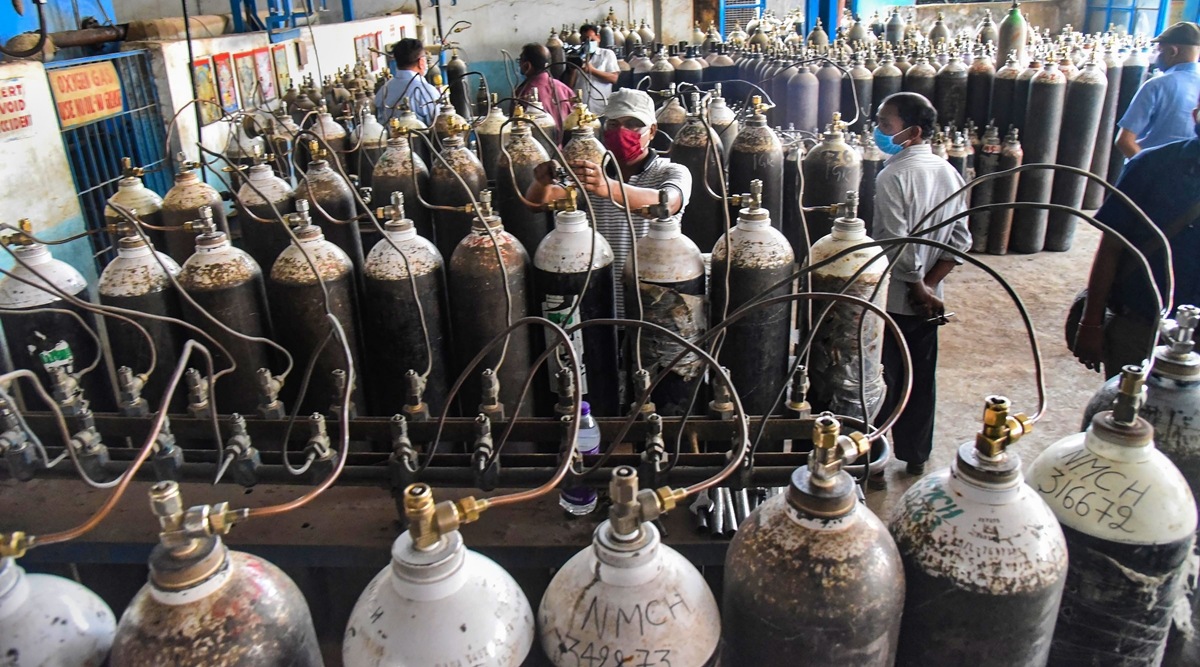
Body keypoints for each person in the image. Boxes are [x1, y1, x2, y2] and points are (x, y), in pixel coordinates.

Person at [872, 92, 971, 477]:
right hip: (930, 303)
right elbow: (961, 239)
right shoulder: (947, 170)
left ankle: (872, 459)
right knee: (921, 379)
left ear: (911, 132)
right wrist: (930, 287)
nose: (878, 131)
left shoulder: (893, 175)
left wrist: (915, 288)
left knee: (882, 380)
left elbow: (897, 243)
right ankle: (916, 456)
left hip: (897, 301)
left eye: (885, 125)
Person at [524, 88, 691, 315]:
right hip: (602, 299)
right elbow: (536, 204)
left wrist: (607, 187)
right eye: (614, 124)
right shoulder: (592, 174)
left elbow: (666, 204)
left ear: (652, 131)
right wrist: (541, 182)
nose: (622, 131)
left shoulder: (670, 171)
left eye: (633, 124)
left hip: (652, 302)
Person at [1074, 96, 1200, 378]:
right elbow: (1111, 248)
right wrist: (1091, 322)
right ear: (1196, 116)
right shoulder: (1152, 166)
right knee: (1126, 408)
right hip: (1141, 325)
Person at [1116, 21, 1200, 159]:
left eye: (1159, 50)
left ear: (1173, 51)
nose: (1156, 57)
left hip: (1152, 173)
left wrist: (1147, 169)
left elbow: (1124, 141)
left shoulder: (1156, 86)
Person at [375, 38, 441, 125]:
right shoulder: (427, 92)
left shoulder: (383, 90)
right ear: (421, 62)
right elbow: (439, 127)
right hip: (419, 138)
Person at [514, 43, 576, 131]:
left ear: (527, 65)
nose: (519, 64)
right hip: (565, 144)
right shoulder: (565, 89)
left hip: (536, 143)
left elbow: (517, 127)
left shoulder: (523, 92)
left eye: (520, 60)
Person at [575, 23, 620, 117]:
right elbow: (569, 85)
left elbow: (614, 78)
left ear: (598, 38)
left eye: (591, 39)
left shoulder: (607, 54)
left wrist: (592, 70)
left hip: (600, 108)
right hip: (578, 109)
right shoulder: (576, 56)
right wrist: (571, 71)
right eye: (584, 40)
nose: (588, 43)